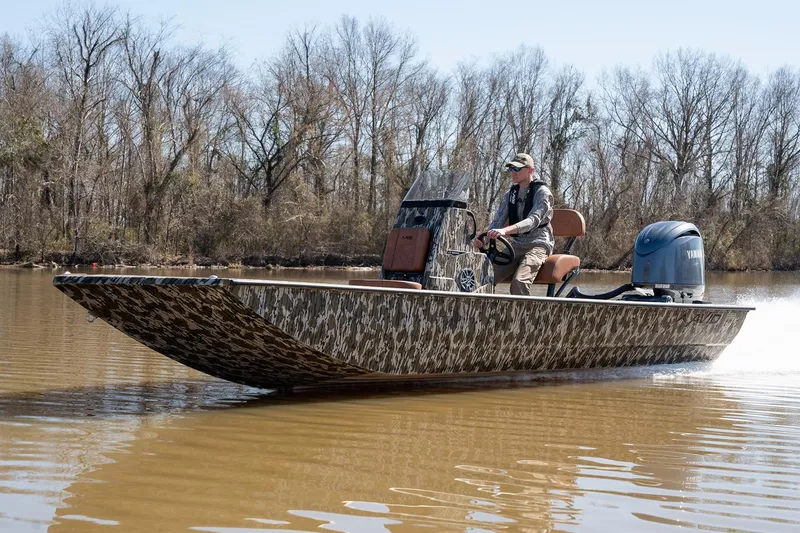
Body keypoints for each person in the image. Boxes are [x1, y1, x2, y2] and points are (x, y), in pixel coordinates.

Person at [472, 153, 554, 295]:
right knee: (483, 277)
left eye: (517, 169)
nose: (513, 172)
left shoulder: (542, 193)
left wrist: (505, 231)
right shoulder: (510, 194)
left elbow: (532, 221)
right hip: (516, 245)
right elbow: (498, 221)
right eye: (511, 168)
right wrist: (483, 238)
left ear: (530, 170)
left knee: (518, 283)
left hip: (538, 245)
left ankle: (523, 317)